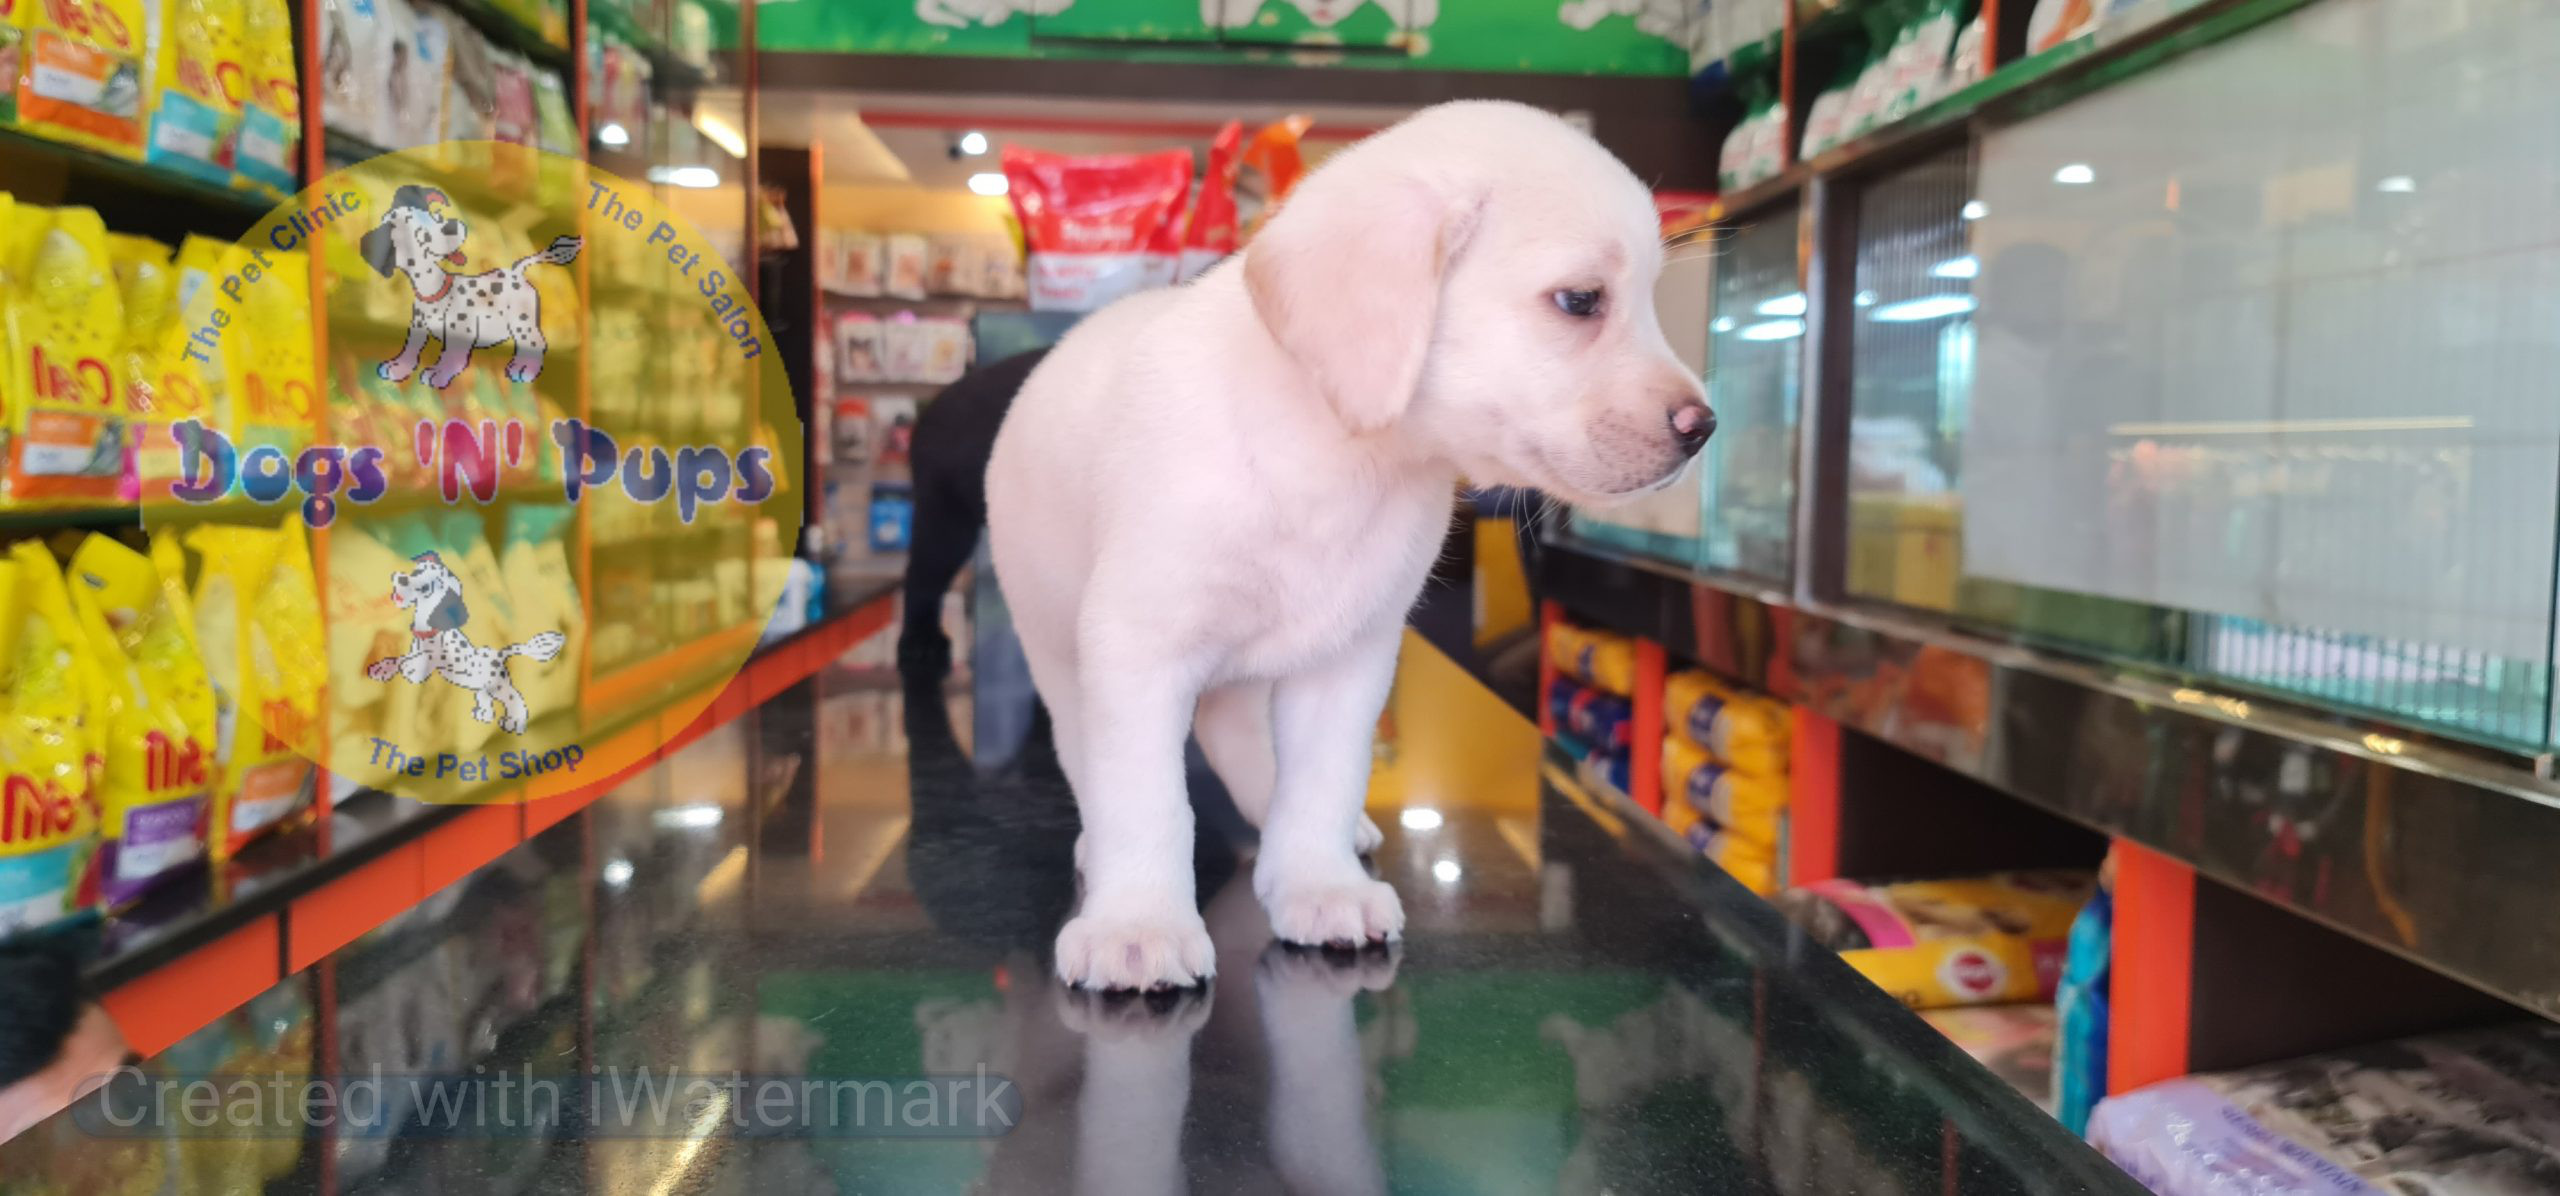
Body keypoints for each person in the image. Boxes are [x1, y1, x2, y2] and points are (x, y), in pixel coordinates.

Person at [898, 348, 1051, 677]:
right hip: (968, 431)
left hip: (964, 425)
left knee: (939, 548)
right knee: (943, 544)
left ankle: (919, 636)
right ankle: (919, 636)